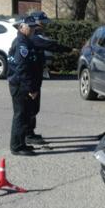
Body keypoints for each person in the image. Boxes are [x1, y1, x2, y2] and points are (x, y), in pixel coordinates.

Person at [25, 11, 73, 145]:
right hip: (31, 78)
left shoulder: (36, 35)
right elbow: (51, 45)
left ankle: (30, 132)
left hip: (36, 76)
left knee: (33, 108)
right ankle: (27, 134)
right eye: (43, 22)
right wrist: (69, 50)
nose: (45, 25)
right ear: (36, 22)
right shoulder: (33, 37)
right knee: (30, 108)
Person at [7, 17, 41, 156]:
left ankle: (22, 143)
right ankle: (16, 146)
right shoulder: (22, 44)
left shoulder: (25, 41)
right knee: (20, 115)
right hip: (20, 85)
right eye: (30, 27)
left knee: (25, 115)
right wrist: (31, 89)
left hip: (21, 84)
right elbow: (22, 69)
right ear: (22, 27)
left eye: (34, 27)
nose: (33, 29)